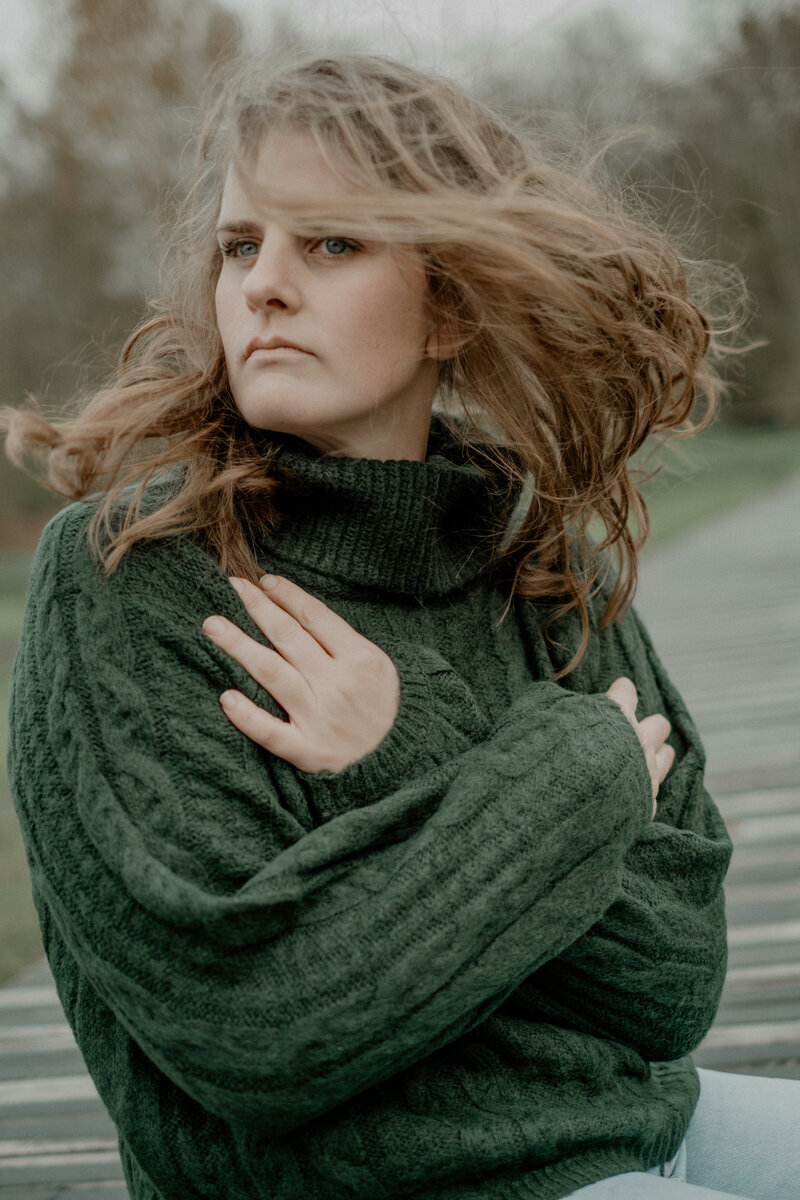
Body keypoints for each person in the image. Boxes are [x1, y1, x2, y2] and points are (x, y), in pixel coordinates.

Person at [3, 51, 798, 1200]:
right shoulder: (133, 578)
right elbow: (259, 1034)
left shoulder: (536, 558)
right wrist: (577, 780)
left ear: (448, 305)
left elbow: (671, 981)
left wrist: (391, 752)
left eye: (330, 242)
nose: (263, 286)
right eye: (241, 246)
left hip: (630, 1118)